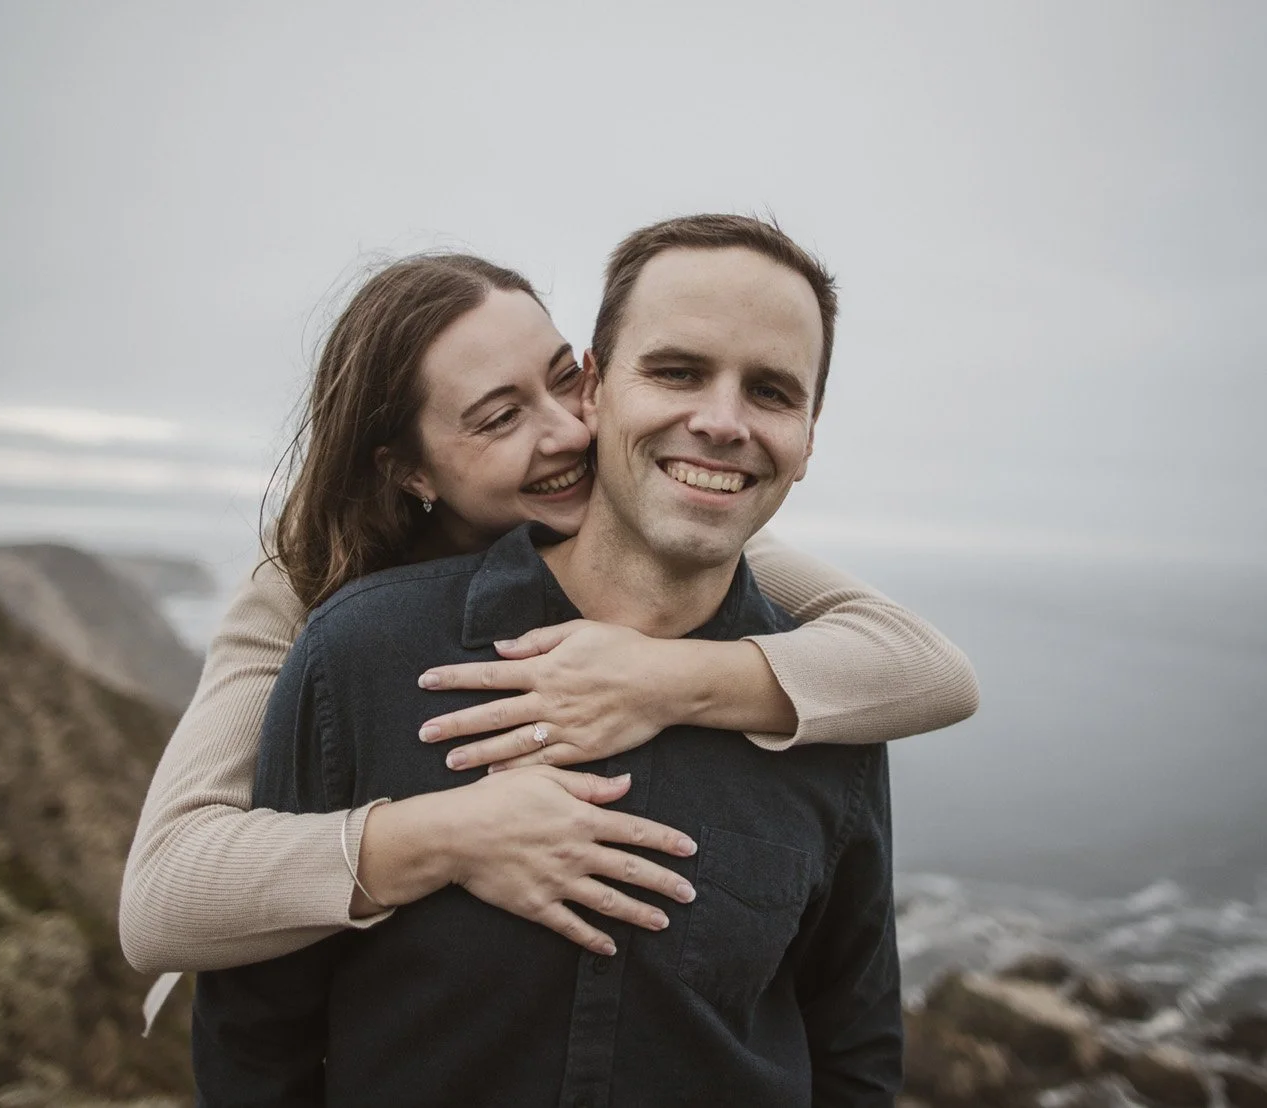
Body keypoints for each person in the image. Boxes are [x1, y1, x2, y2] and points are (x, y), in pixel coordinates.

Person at [193, 214, 901, 1106]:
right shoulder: (359, 650)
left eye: (770, 392)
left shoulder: (825, 705)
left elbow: (854, 1045)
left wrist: (687, 681)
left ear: (808, 433)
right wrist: (437, 837)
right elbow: (254, 1032)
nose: (721, 423)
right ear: (598, 391)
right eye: (676, 371)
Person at [120, 251, 977, 982]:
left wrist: (666, 680)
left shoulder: (619, 495)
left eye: (564, 380)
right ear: (408, 472)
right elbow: (162, 901)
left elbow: (927, 668)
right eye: (499, 418)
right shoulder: (304, 587)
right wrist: (455, 832)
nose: (567, 431)